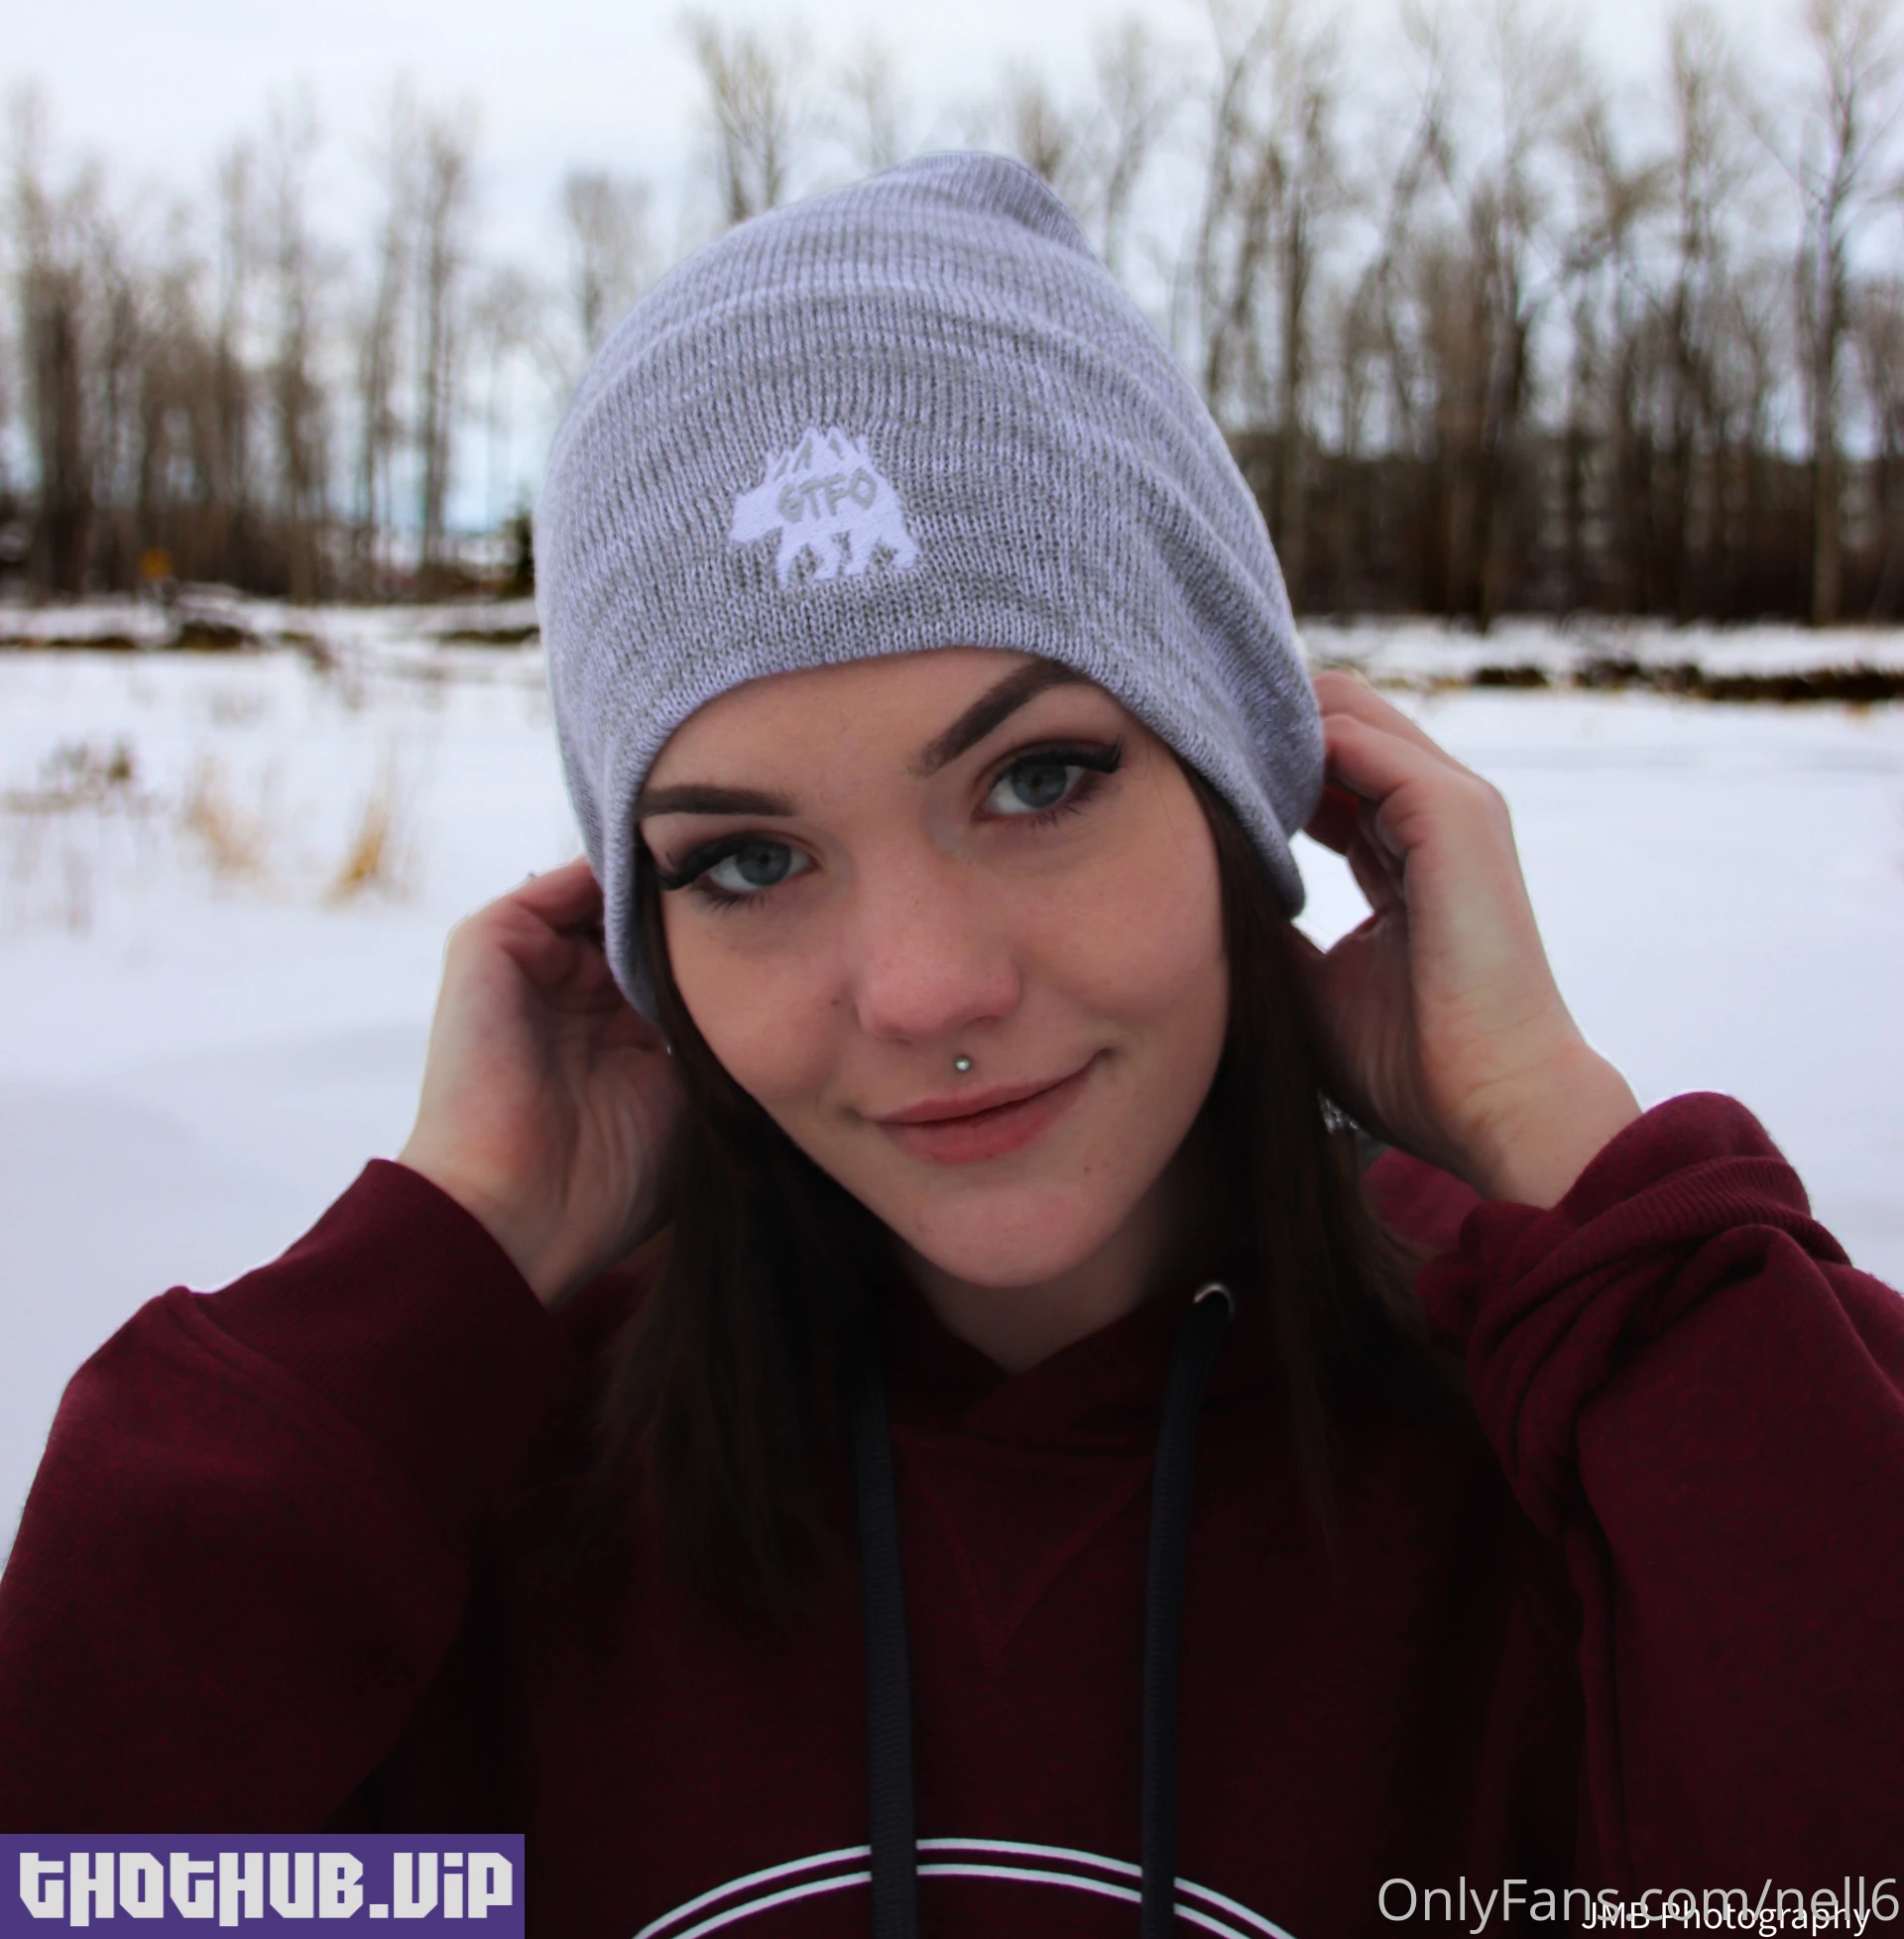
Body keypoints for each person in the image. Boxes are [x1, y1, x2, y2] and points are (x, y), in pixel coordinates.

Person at [2, 154, 1900, 1934]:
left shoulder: (1612, 1447)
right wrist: (434, 1277)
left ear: (1249, 788)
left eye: (1041, 777)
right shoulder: (470, 1505)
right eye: (748, 860)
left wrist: (1569, 1159)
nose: (920, 992)